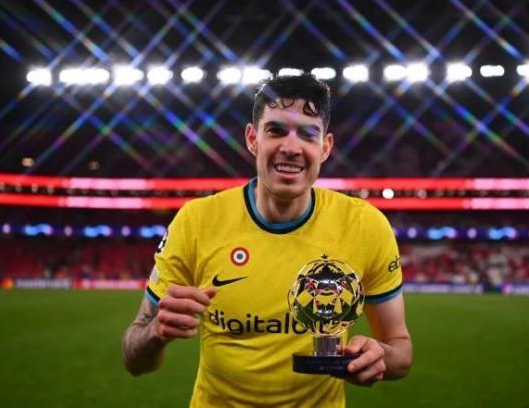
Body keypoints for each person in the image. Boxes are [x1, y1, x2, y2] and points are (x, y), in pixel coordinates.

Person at [122, 73, 412, 407]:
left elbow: (400, 350)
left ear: (325, 147)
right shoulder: (196, 221)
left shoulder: (365, 226)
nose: (291, 148)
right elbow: (133, 358)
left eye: (308, 134)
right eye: (275, 130)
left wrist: (379, 356)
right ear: (252, 139)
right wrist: (155, 333)